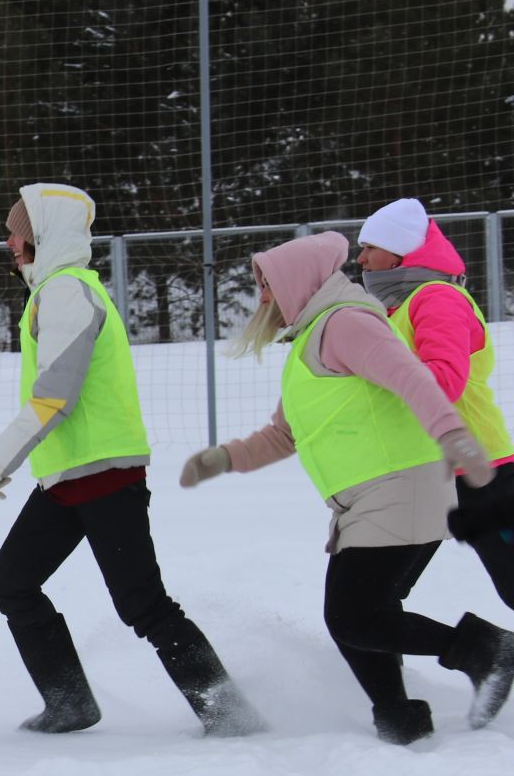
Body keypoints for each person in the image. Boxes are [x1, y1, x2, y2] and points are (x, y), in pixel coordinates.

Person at [179, 230, 514, 745]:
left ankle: (483, 650)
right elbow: (281, 435)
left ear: (295, 282)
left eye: (267, 286)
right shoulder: (312, 338)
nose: (262, 298)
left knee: (353, 616)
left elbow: (413, 378)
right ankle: (399, 717)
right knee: (363, 614)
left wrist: (453, 435)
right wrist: (224, 458)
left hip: (401, 485)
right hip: (365, 495)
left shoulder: (346, 322)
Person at [0, 183, 262, 736]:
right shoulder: (57, 291)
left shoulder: (66, 293)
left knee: (144, 605)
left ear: (43, 237)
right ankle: (70, 702)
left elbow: (54, 393)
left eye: (18, 231)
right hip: (70, 479)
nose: (9, 241)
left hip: (104, 477)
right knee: (12, 582)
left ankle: (229, 714)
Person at [354, 198, 514, 594]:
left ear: (399, 251)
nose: (360, 259)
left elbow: (443, 381)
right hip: (424, 471)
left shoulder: (437, 298)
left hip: (479, 471)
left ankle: (493, 656)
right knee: (371, 598)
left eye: (370, 247)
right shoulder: (402, 304)